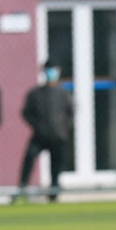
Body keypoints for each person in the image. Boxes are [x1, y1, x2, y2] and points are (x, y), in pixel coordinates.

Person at [14, 60, 73, 203]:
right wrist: (37, 126)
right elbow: (26, 113)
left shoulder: (63, 93)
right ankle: (22, 188)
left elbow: (70, 113)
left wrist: (63, 128)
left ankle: (54, 192)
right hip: (39, 135)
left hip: (57, 135)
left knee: (56, 164)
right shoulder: (35, 94)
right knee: (29, 159)